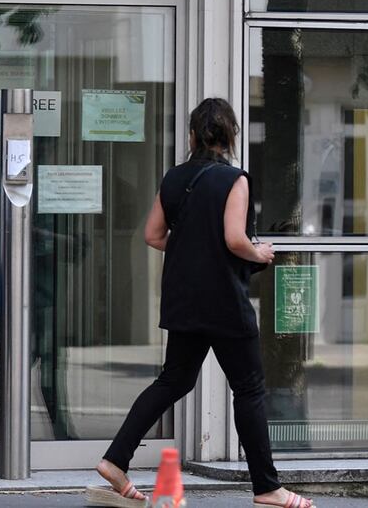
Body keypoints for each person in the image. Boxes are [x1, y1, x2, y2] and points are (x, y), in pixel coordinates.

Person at [93, 98, 312, 508]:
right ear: (230, 137)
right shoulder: (234, 180)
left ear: (192, 136)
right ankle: (267, 487)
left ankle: (115, 459)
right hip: (225, 302)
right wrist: (260, 252)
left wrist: (191, 245)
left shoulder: (174, 178)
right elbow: (234, 239)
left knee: (173, 381)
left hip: (184, 300)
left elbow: (153, 235)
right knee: (248, 389)